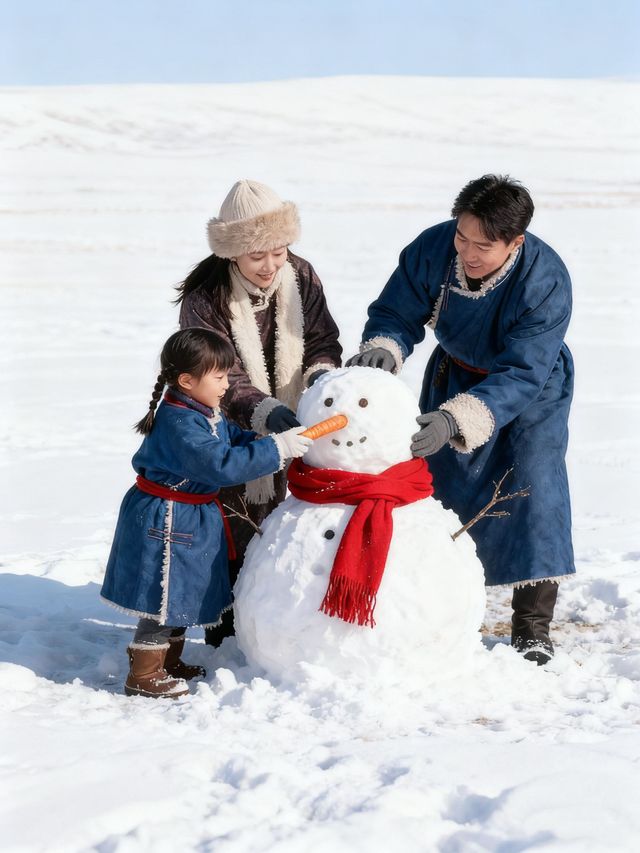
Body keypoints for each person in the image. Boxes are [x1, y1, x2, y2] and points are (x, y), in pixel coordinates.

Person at [347, 174, 574, 665]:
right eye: (462, 237)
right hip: (454, 373)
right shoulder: (433, 247)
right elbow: (396, 311)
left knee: (535, 487)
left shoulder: (546, 279)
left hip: (531, 387)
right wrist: (385, 348)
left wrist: (457, 420)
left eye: (483, 246)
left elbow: (523, 368)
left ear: (515, 242)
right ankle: (436, 604)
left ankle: (531, 626)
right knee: (437, 486)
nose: (468, 253)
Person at [100, 328, 313, 697]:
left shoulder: (202, 411)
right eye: (219, 376)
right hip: (166, 518)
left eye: (228, 374)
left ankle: (168, 660)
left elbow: (233, 439)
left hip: (189, 516)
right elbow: (222, 464)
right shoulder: (179, 422)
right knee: (162, 596)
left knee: (181, 590)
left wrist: (269, 441)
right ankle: (144, 674)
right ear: (186, 380)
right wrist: (276, 450)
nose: (227, 384)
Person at [176, 179, 342, 646]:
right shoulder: (205, 297)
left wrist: (317, 382)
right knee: (235, 529)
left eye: (279, 250)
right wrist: (264, 412)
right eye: (257, 255)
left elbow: (323, 341)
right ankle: (226, 632)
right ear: (233, 254)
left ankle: (285, 625)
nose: (270, 265)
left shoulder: (301, 275)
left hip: (294, 422)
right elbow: (215, 374)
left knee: (289, 523)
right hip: (226, 432)